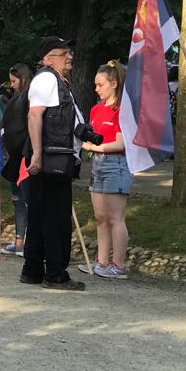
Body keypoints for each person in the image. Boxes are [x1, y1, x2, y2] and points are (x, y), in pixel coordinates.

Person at [21, 36, 86, 291]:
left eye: (69, 52)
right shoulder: (47, 79)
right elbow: (34, 115)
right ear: (48, 59)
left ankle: (33, 269)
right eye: (63, 53)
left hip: (51, 155)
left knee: (40, 213)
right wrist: (37, 153)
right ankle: (56, 274)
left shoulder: (53, 80)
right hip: (52, 157)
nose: (69, 56)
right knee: (56, 217)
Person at [80, 60, 132, 279]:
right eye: (95, 84)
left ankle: (118, 264)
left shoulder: (121, 110)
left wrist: (94, 147)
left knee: (115, 217)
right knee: (100, 217)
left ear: (114, 84)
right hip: (98, 164)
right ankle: (101, 261)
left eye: (100, 85)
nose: (96, 89)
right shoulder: (96, 109)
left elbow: (121, 143)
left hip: (115, 164)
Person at [0, 63, 33, 256]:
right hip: (13, 157)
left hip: (26, 156)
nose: (11, 85)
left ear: (23, 79)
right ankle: (19, 241)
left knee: (28, 200)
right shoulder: (14, 101)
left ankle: (31, 242)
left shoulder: (31, 99)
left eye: (14, 81)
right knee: (17, 199)